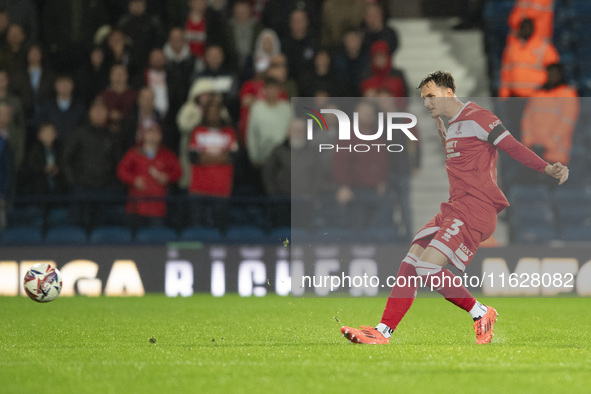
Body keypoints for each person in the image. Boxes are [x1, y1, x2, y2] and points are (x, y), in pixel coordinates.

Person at [340, 71, 569, 345]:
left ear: (449, 92)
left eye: (430, 95)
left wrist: (546, 167)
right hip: (454, 209)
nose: (426, 103)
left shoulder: (480, 117)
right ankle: (383, 331)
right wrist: (444, 141)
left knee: (427, 268)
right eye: (423, 98)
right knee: (410, 263)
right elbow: (465, 163)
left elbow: (513, 147)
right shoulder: (453, 127)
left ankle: (481, 312)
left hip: (476, 209)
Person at [117, 123, 181, 228]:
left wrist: (167, 177)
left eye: (156, 132)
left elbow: (178, 172)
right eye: (150, 132)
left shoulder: (167, 155)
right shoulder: (133, 153)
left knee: (156, 239)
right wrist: (133, 180)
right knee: (134, 241)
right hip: (136, 205)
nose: (153, 135)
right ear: (144, 135)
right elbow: (121, 171)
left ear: (161, 136)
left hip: (157, 207)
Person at [521, 63, 579, 166]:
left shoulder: (567, 94)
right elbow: (527, 118)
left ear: (561, 75)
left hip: (556, 155)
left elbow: (567, 123)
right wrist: (528, 140)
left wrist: (549, 143)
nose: (552, 76)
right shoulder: (537, 94)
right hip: (533, 152)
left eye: (555, 74)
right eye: (549, 73)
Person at [499, 18, 559, 98]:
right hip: (515, 95)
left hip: (537, 95)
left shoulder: (544, 46)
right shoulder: (511, 48)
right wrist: (504, 93)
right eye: (524, 27)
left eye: (529, 27)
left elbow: (554, 70)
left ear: (533, 28)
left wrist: (548, 91)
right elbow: (506, 72)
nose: (526, 29)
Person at [36, 74, 86, 139]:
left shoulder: (80, 108)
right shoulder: (46, 107)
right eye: (61, 82)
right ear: (55, 86)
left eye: (67, 82)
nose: (64, 86)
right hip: (52, 146)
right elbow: (39, 125)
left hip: (75, 145)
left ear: (72, 85)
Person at [20, 123, 65, 194]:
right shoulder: (33, 151)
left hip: (58, 189)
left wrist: (58, 169)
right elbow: (30, 166)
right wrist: (43, 169)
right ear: (39, 135)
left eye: (51, 132)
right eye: (45, 132)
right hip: (39, 189)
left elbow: (65, 165)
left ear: (55, 134)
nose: (48, 135)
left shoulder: (60, 150)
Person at [98, 63, 138, 133]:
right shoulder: (102, 96)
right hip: (104, 133)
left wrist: (122, 116)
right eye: (115, 74)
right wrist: (107, 115)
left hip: (129, 132)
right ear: (110, 76)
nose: (118, 77)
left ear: (127, 76)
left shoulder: (135, 96)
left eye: (121, 74)